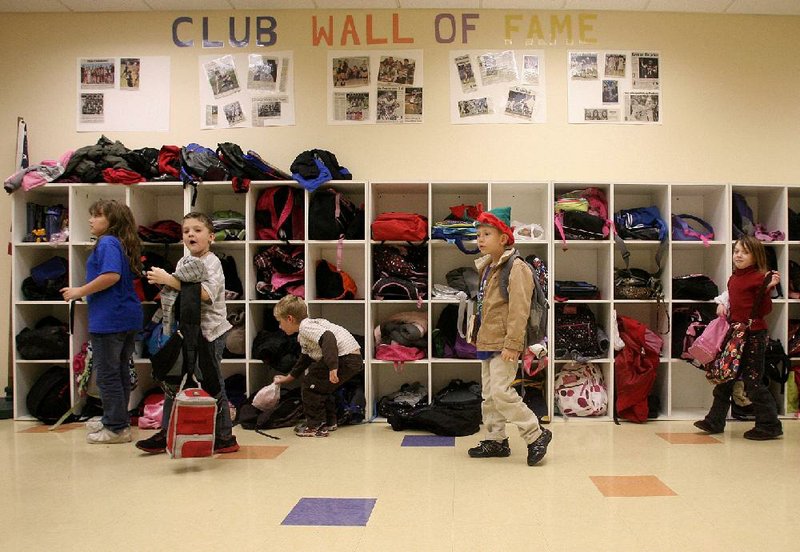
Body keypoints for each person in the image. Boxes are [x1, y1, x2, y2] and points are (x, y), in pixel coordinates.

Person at [135, 212, 239, 454]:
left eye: (197, 230)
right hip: (185, 331)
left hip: (209, 333)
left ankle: (225, 437)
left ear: (211, 237)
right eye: (186, 231)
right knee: (174, 381)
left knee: (213, 383)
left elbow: (205, 294)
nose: (191, 234)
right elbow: (179, 294)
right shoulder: (184, 262)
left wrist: (169, 281)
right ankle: (167, 431)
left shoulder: (212, 262)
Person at [467, 207, 552, 466]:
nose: (480, 239)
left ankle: (535, 433)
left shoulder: (516, 268)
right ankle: (496, 439)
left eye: (486, 234)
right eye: (478, 234)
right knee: (490, 395)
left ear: (503, 238)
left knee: (502, 392)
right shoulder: (488, 268)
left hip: (505, 343)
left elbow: (519, 310)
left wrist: (514, 345)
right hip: (487, 340)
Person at [61, 199, 142, 444]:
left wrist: (79, 291)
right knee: (119, 372)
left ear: (112, 221)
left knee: (108, 375)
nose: (90, 220)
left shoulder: (107, 242)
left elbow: (111, 276)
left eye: (97, 216)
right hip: (125, 316)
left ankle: (116, 427)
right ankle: (117, 420)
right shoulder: (119, 243)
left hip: (111, 318)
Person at [694, 235, 783, 440]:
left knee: (752, 381)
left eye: (744, 252)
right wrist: (723, 304)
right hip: (736, 334)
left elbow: (765, 309)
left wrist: (767, 289)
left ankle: (770, 424)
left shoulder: (761, 278)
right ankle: (715, 420)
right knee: (725, 378)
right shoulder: (734, 278)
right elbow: (733, 297)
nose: (738, 255)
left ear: (755, 255)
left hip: (753, 335)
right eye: (736, 251)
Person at [272, 295, 363, 437]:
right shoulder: (306, 332)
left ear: (290, 319)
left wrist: (333, 368)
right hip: (352, 358)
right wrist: (288, 378)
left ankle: (316, 426)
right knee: (321, 388)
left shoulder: (305, 327)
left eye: (280, 321)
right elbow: (304, 359)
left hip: (344, 358)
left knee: (310, 386)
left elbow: (328, 338)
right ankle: (329, 422)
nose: (279, 326)